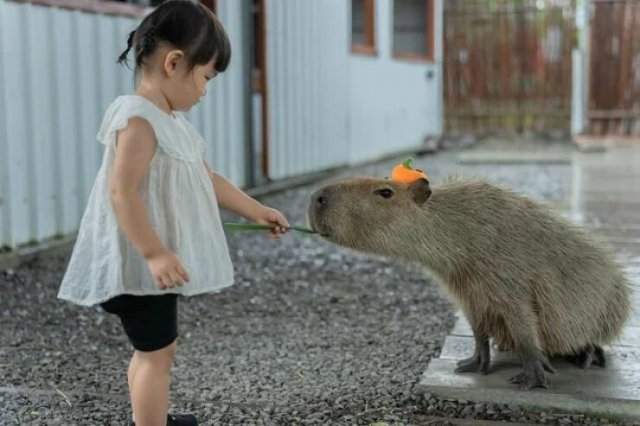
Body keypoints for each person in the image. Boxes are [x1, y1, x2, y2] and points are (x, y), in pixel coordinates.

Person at [57, 2, 289, 424]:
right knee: (156, 357)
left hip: (149, 269)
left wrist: (257, 210)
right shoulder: (138, 119)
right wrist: (155, 254)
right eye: (205, 78)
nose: (204, 90)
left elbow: (208, 179)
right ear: (174, 63)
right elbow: (121, 192)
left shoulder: (172, 124)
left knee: (153, 351)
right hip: (138, 266)